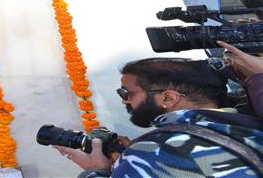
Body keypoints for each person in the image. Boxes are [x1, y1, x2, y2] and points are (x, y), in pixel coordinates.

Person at [55, 57, 263, 177]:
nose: (124, 101)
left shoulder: (156, 151)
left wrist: (97, 171)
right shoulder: (249, 123)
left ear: (168, 97)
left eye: (127, 93)